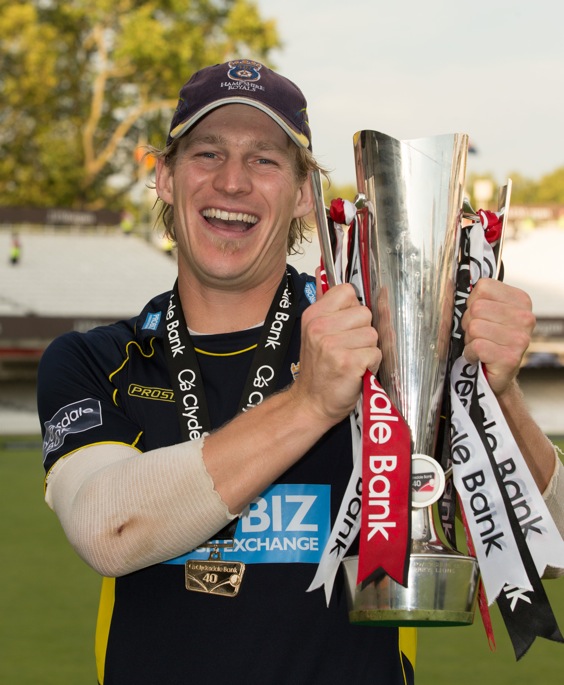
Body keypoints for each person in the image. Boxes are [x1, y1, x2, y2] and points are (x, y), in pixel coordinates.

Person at [37, 59, 564, 685]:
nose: (232, 182)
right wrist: (309, 402)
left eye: (264, 160)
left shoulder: (385, 349)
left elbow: (552, 539)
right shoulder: (94, 360)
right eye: (207, 153)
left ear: (304, 196)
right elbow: (108, 529)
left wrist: (495, 396)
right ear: (165, 180)